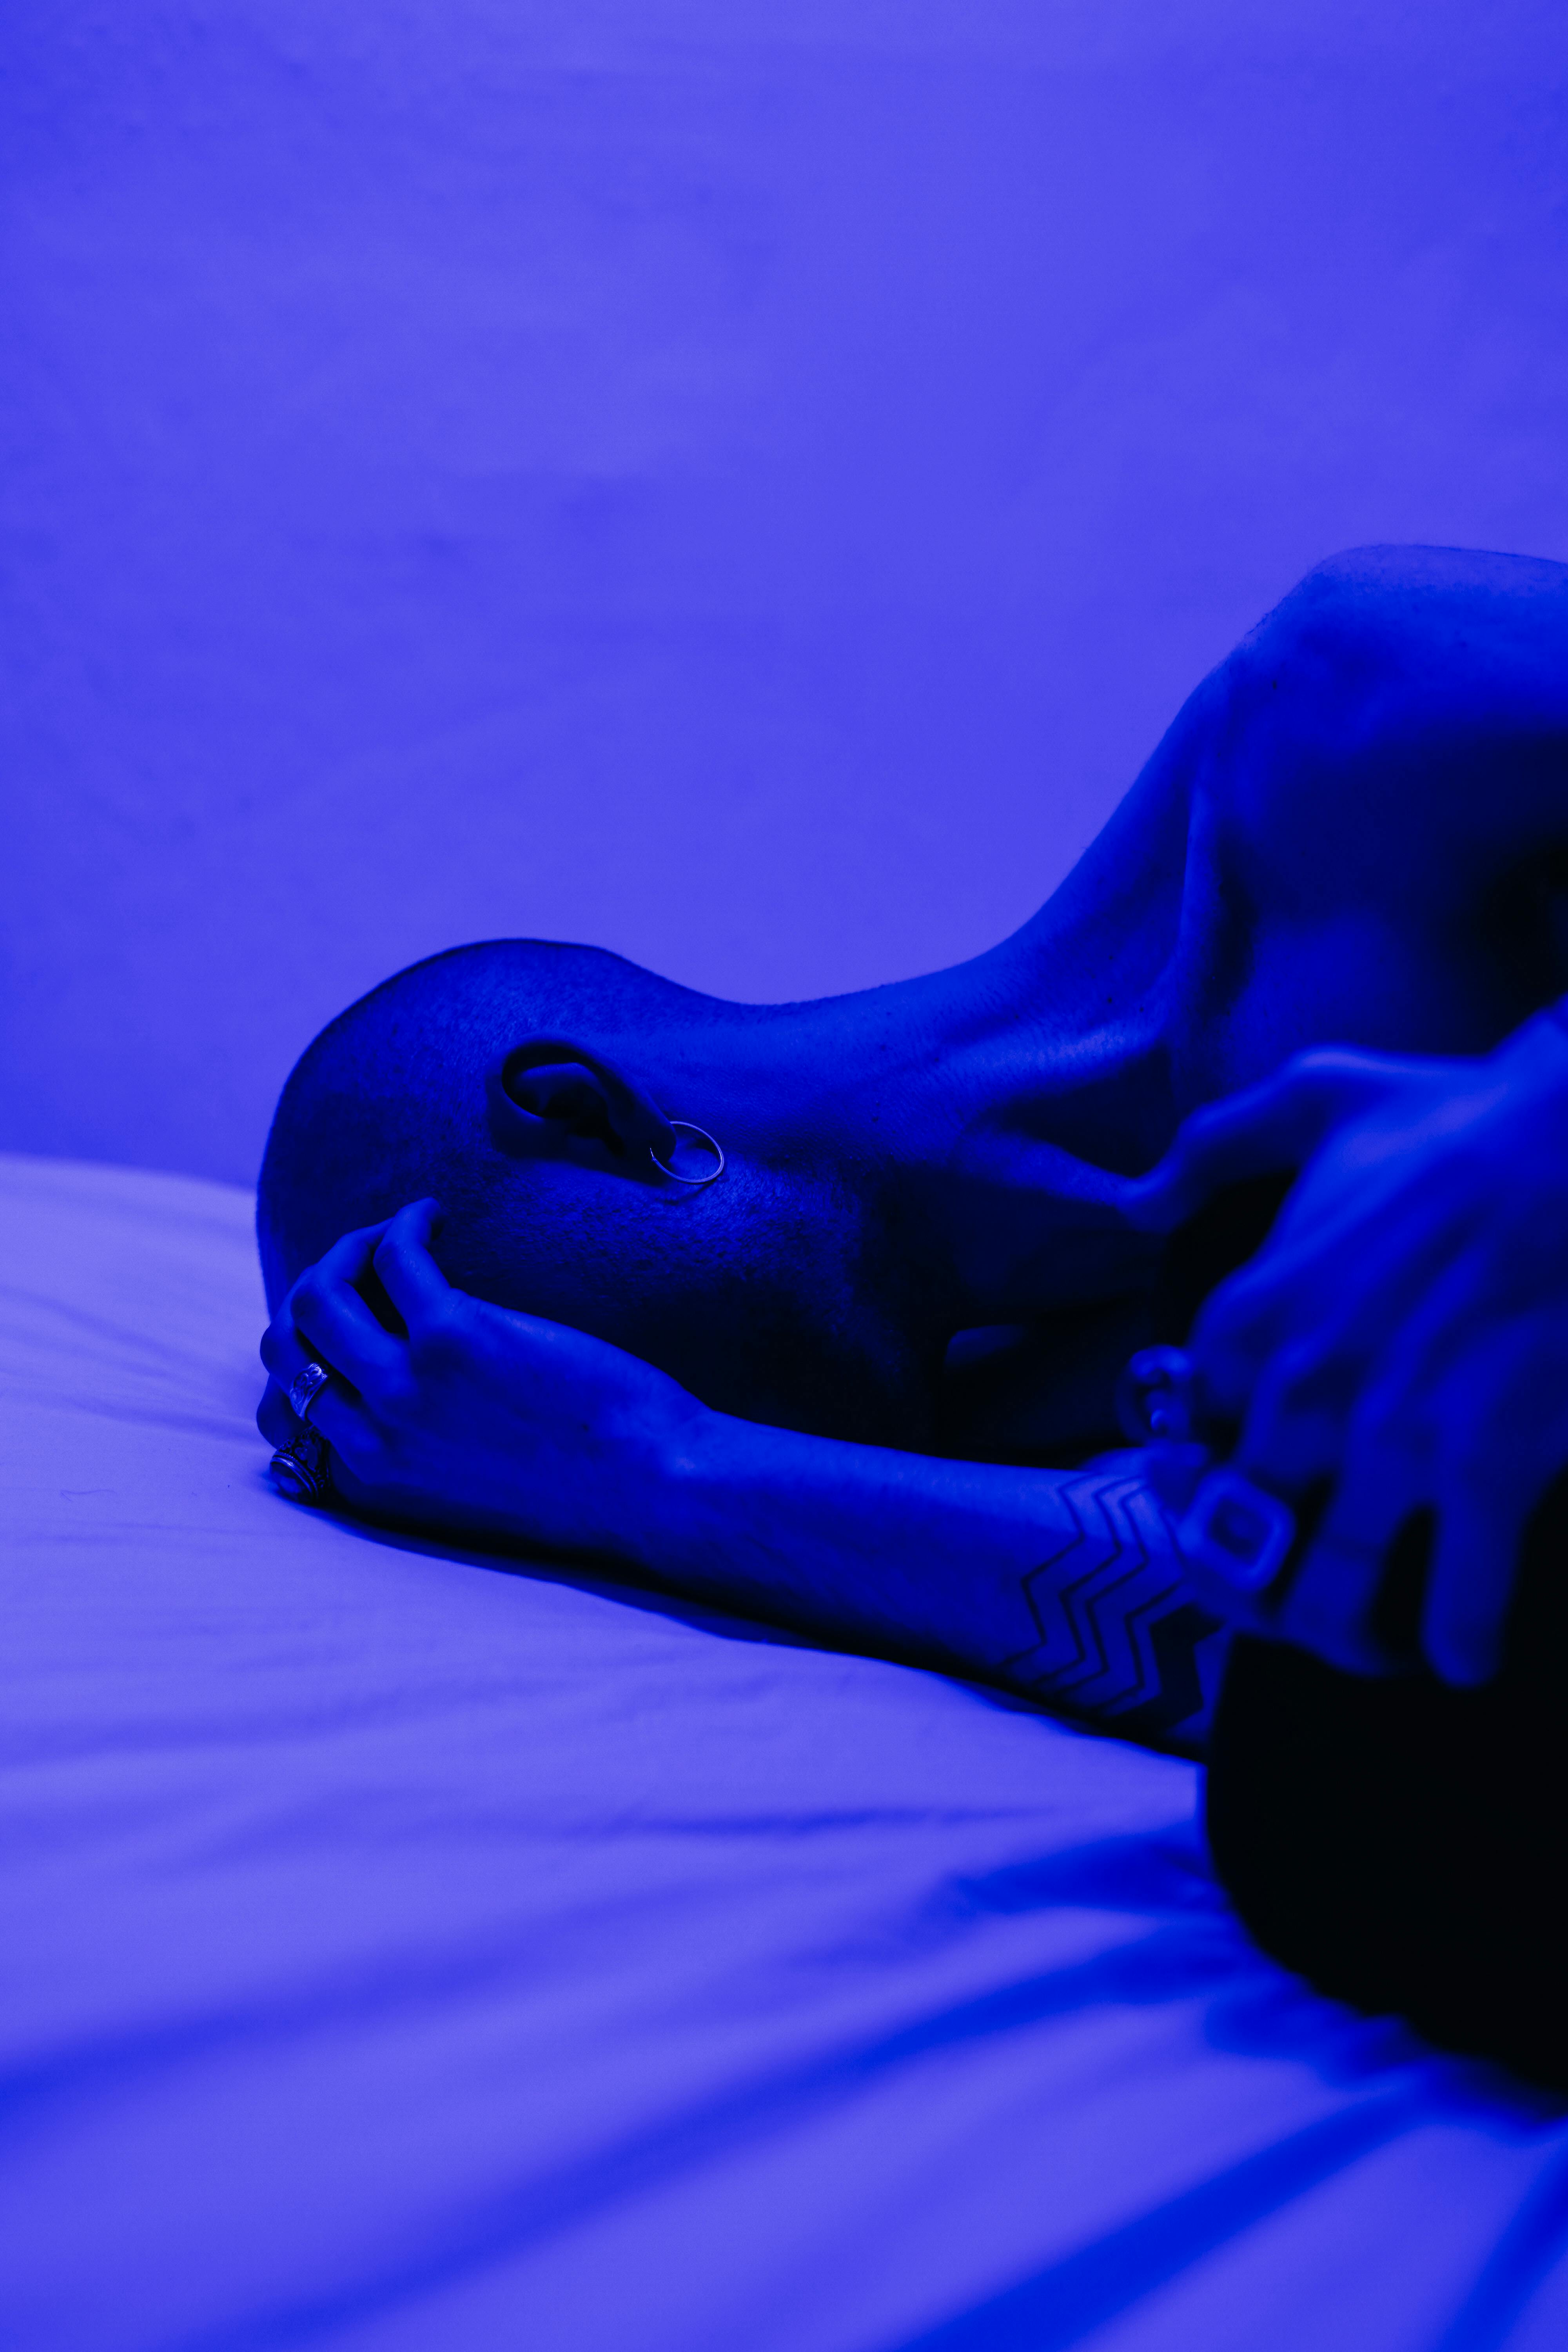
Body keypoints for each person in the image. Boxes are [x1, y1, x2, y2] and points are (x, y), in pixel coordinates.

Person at [258, 544, 1568, 1788]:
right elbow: (1315, 1661)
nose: (539, 1398)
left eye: (489, 1349)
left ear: (590, 1121)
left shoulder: (1348, 728)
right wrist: (640, 1469)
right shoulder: (1027, 1422)